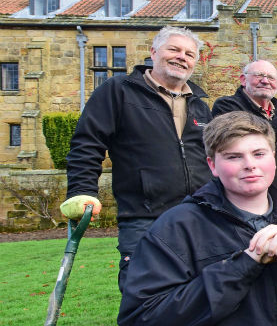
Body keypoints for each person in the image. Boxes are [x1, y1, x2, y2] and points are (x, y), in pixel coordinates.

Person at [117, 111, 277, 326]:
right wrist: (246, 263)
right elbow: (142, 316)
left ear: (273, 158)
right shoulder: (178, 226)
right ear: (212, 165)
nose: (250, 165)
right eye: (233, 157)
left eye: (259, 154)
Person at [61, 25, 212, 292]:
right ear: (153, 52)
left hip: (199, 216)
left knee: (201, 296)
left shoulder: (200, 105)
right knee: (144, 299)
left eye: (190, 54)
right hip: (144, 217)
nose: (182, 57)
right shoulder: (119, 91)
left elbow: (213, 159)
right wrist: (81, 191)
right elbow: (87, 144)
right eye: (174, 49)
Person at [212, 59, 277, 196]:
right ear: (243, 80)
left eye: (271, 77)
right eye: (258, 75)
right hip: (245, 196)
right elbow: (250, 141)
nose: (265, 81)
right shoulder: (227, 106)